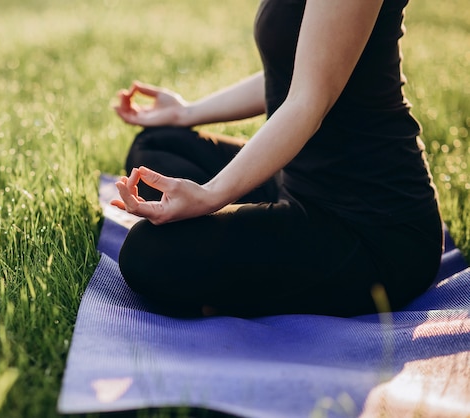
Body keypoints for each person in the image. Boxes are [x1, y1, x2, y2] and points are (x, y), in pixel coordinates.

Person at [110, 0, 443, 318]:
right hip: (295, 179)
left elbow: (309, 98)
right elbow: (296, 73)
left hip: (372, 228)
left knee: (149, 254)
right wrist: (187, 112)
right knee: (156, 147)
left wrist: (212, 195)